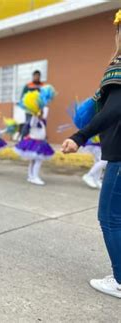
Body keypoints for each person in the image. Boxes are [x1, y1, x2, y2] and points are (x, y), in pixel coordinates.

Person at [61, 10, 121, 299]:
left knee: (110, 217)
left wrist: (79, 135)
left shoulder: (119, 67)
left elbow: (114, 110)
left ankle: (120, 279)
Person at [15, 85, 56, 185]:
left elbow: (42, 131)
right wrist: (35, 113)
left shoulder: (42, 121)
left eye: (42, 112)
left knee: (34, 161)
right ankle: (35, 177)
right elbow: (32, 123)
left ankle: (31, 176)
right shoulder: (34, 119)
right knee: (38, 161)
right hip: (34, 143)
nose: (42, 113)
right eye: (41, 112)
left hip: (40, 142)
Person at [19, 70, 45, 139]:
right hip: (29, 109)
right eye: (35, 76)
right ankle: (23, 139)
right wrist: (25, 105)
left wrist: (42, 108)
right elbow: (23, 97)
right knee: (28, 123)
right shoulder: (28, 86)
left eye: (38, 76)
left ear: (40, 77)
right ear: (33, 76)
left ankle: (37, 139)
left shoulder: (43, 86)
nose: (37, 77)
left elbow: (45, 98)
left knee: (38, 124)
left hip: (39, 109)